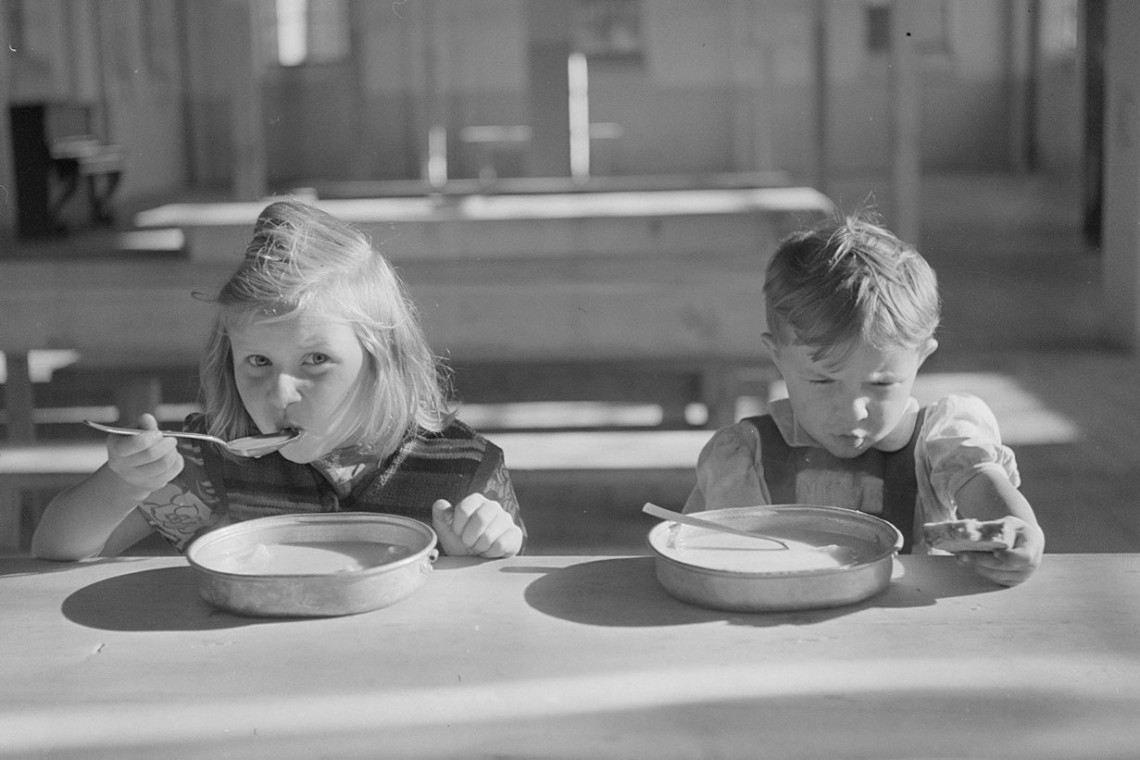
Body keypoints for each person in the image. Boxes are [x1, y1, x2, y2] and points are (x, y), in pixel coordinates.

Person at [33, 200, 525, 561]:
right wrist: (123, 485)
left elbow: (498, 602)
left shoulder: (464, 469)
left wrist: (476, 551)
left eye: (315, 359)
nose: (279, 393)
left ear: (383, 359)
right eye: (258, 362)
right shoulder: (214, 461)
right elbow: (56, 550)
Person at [684, 212, 1044, 586]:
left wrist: (1017, 533)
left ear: (921, 358)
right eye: (823, 382)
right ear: (777, 358)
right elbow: (698, 557)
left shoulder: (939, 444)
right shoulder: (743, 458)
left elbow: (984, 488)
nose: (853, 410)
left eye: (881, 385)